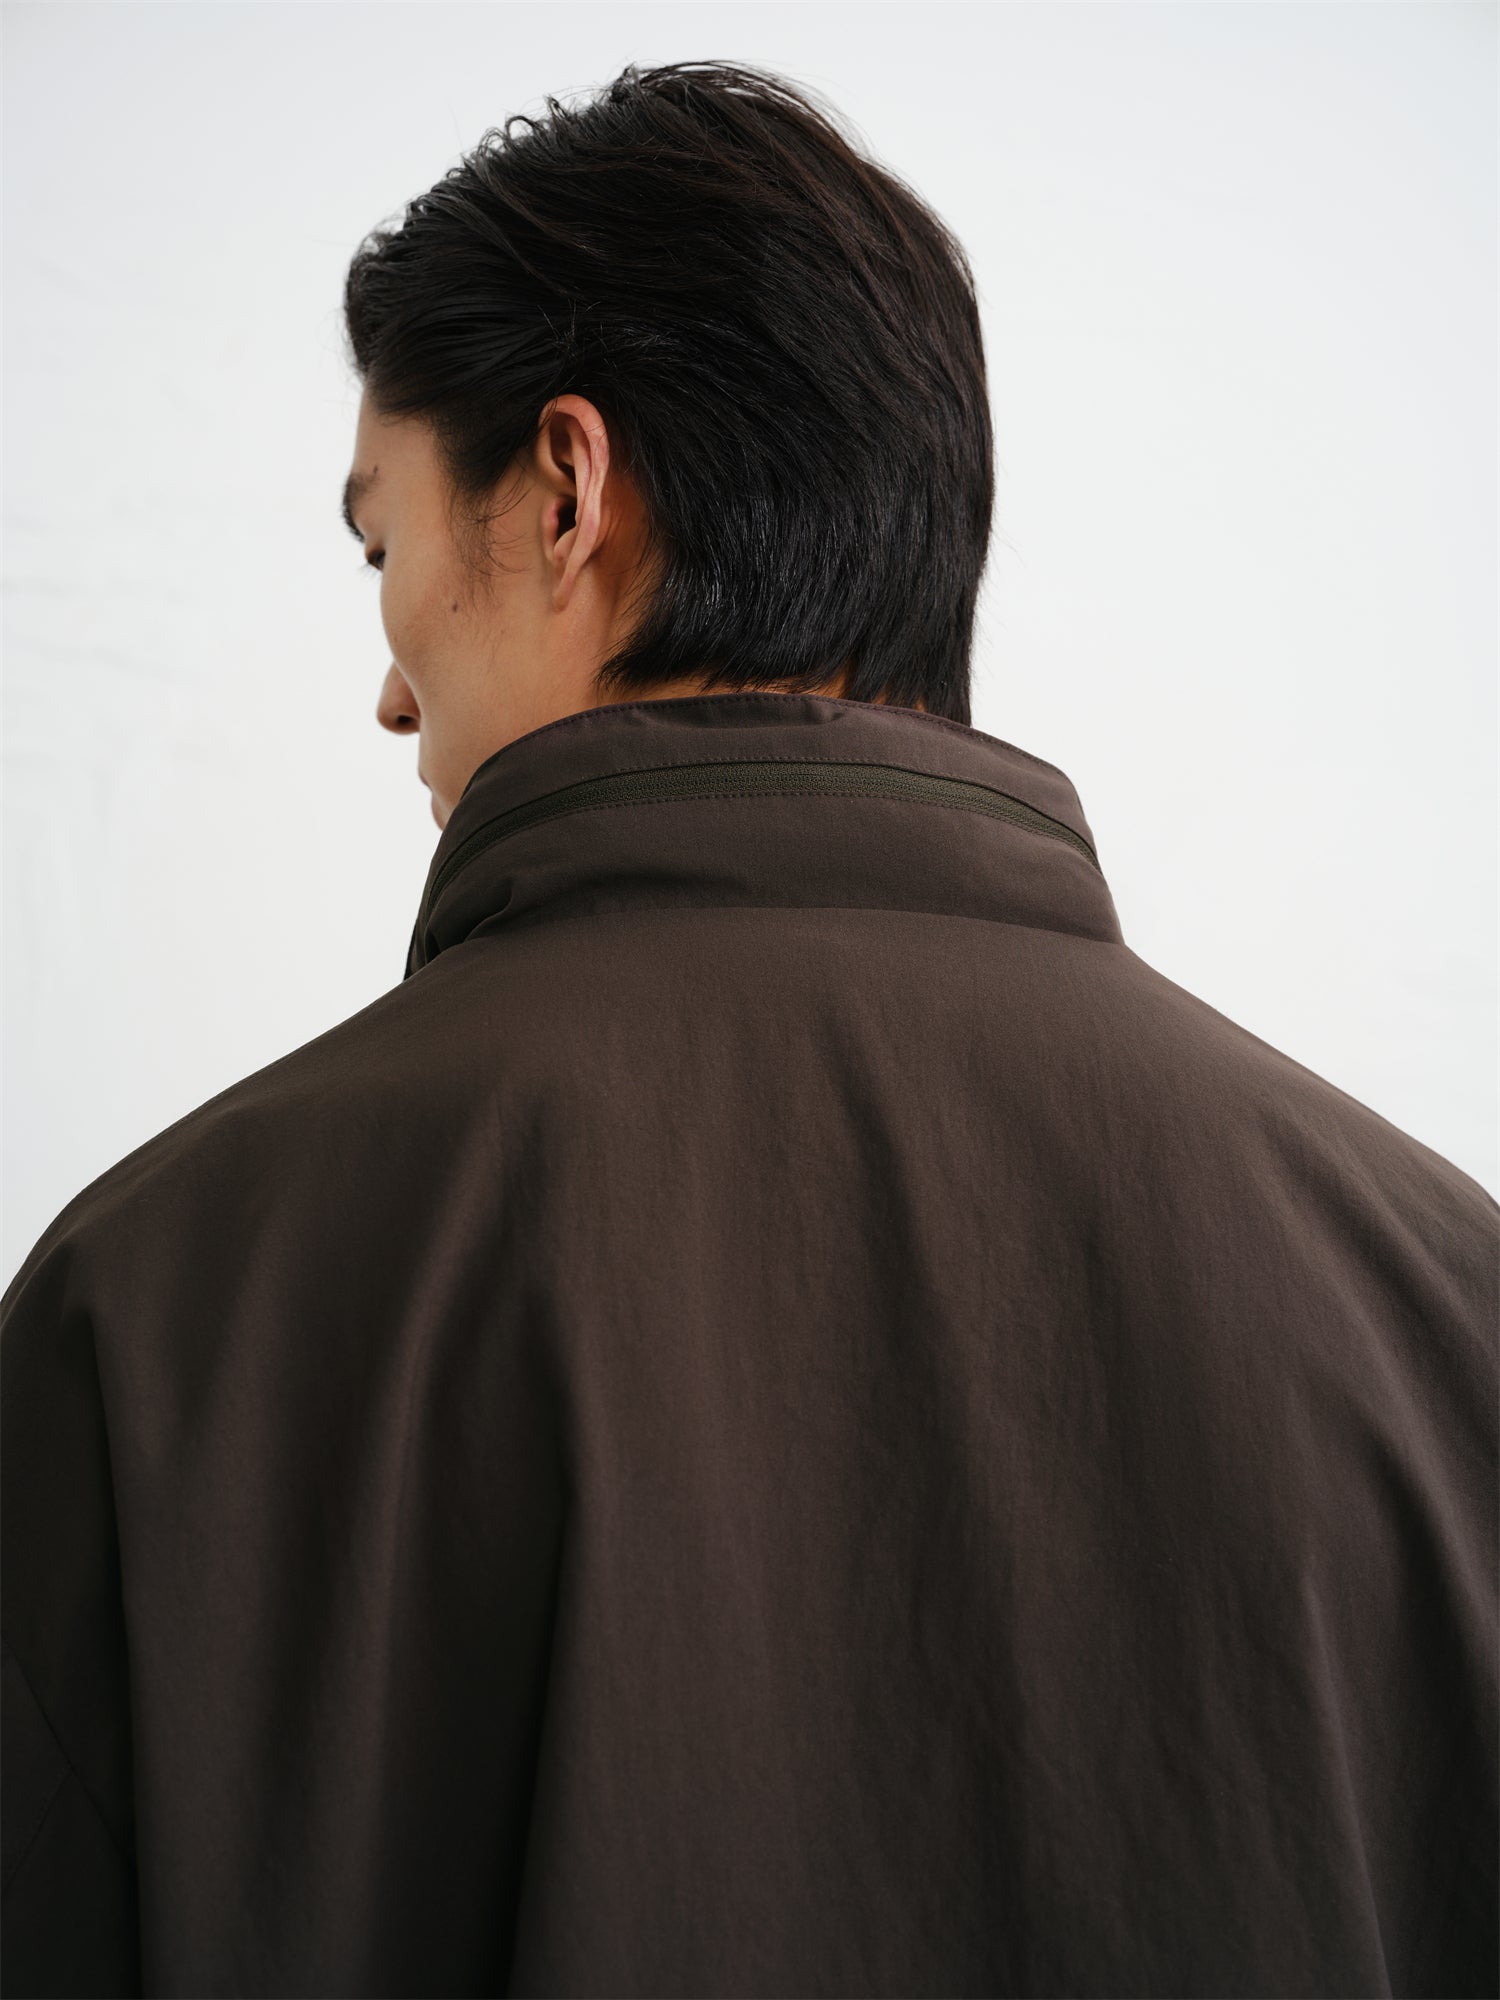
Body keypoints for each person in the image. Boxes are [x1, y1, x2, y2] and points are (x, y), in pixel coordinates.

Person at [2, 57, 1494, 2000]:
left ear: (566, 492)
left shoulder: (157, 1312)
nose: (390, 695)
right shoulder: (1447, 1309)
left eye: (383, 552)